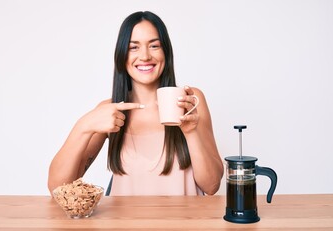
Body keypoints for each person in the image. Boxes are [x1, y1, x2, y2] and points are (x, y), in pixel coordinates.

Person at [48, 11, 223, 196]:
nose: (145, 56)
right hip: (125, 225)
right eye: (134, 47)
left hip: (183, 224)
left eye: (154, 45)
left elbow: (211, 186)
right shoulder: (110, 111)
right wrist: (84, 126)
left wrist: (191, 133)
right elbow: (58, 188)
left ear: (166, 52)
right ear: (122, 56)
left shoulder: (190, 100)